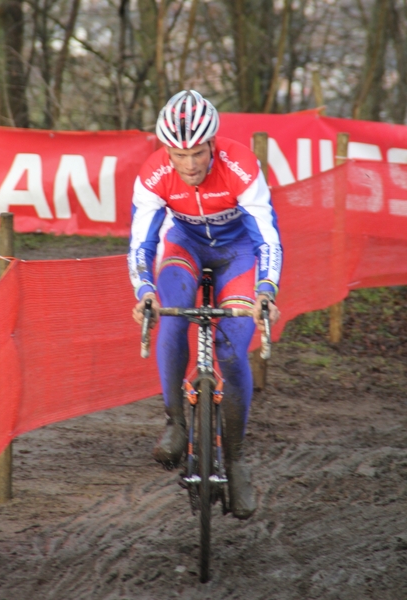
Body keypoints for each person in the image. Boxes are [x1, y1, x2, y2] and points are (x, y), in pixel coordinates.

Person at [128, 90, 282, 519]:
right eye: (179, 155)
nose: (190, 164)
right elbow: (141, 241)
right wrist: (144, 292)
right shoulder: (154, 173)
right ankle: (176, 422)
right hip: (185, 248)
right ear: (166, 151)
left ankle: (235, 461)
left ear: (212, 143)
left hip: (238, 255)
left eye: (197, 152)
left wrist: (266, 290)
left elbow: (266, 235)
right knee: (172, 319)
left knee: (232, 352)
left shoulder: (240, 166)